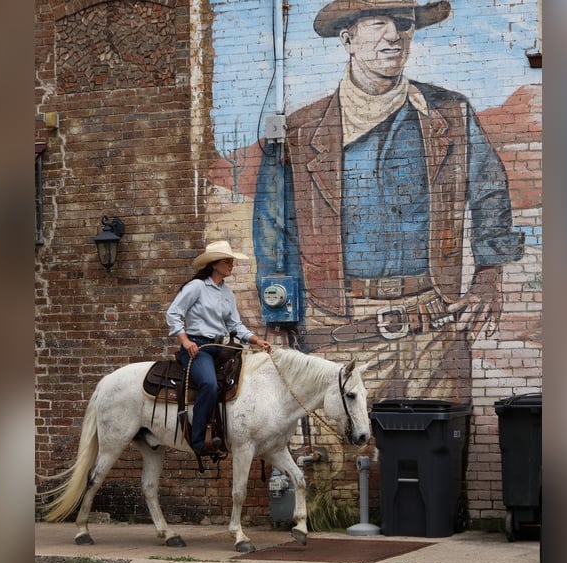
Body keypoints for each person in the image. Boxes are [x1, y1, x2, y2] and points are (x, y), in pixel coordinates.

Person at [253, 0, 523, 401]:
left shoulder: (451, 113)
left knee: (438, 452)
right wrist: (279, 318)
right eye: (379, 23)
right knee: (341, 460)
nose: (394, 36)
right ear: (348, 39)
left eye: (404, 24)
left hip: (437, 328)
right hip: (340, 333)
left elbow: (490, 190)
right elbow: (274, 230)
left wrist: (488, 277)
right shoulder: (299, 131)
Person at [166, 240, 271, 455]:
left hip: (218, 348)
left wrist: (255, 340)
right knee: (209, 385)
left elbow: (235, 325)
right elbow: (173, 314)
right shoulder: (196, 287)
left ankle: (226, 433)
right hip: (198, 348)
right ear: (214, 264)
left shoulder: (227, 293)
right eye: (227, 261)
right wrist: (185, 341)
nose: (231, 265)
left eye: (232, 261)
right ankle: (197, 441)